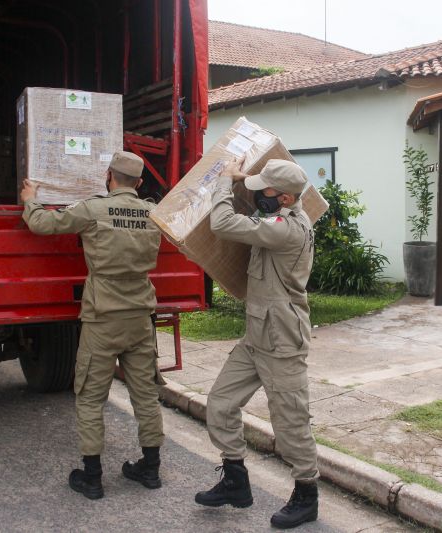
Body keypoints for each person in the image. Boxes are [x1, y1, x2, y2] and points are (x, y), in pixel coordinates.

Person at [20, 151, 165, 500]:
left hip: (103, 319)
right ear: (140, 183)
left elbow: (43, 225)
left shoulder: (94, 209)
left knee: (90, 397)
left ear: (108, 176)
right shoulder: (152, 213)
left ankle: (93, 477)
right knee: (145, 395)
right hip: (140, 318)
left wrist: (30, 201)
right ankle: (151, 469)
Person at [195, 158, 319, 529]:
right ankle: (235, 481)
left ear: (283, 198)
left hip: (282, 339)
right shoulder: (278, 218)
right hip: (257, 335)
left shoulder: (286, 229)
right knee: (220, 403)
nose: (255, 193)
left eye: (263, 189)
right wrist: (243, 177)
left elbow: (221, 223)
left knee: (290, 422)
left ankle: (306, 495)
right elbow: (257, 200)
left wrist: (222, 184)